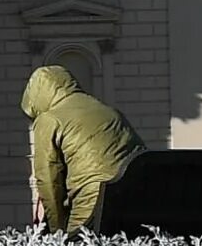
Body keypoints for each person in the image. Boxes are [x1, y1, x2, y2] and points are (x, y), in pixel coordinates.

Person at [21, 65, 143, 234]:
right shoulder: (110, 112)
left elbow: (48, 180)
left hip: (92, 204)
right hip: (134, 199)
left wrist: (58, 231)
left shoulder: (49, 119)